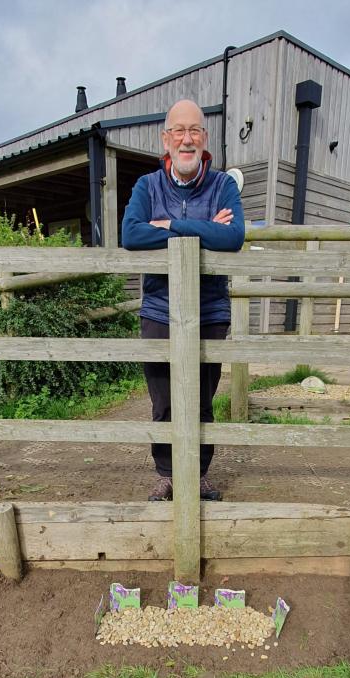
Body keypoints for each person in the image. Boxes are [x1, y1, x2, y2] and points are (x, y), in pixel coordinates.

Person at [122, 99, 245, 501]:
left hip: (209, 311)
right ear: (167, 138)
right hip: (159, 309)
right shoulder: (147, 186)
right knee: (163, 400)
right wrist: (204, 228)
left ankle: (200, 473)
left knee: (203, 399)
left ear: (204, 138)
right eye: (179, 130)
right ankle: (167, 474)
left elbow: (233, 237)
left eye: (194, 130)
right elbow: (131, 235)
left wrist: (171, 224)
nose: (187, 139)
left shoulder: (223, 184)